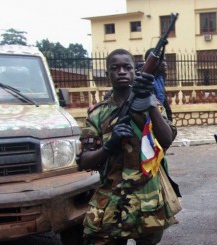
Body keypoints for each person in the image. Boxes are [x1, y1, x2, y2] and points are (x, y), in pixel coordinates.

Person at [77, 49, 177, 245]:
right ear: (108, 74)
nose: (121, 72)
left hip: (147, 198)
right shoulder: (98, 114)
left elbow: (166, 141)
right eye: (115, 68)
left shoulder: (152, 105)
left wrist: (150, 105)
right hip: (110, 199)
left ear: (134, 72)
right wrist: (109, 146)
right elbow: (83, 161)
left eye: (127, 67)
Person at [142, 48, 173, 122]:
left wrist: (169, 120)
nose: (165, 64)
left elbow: (163, 101)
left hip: (161, 118)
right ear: (152, 62)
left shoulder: (160, 78)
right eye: (162, 60)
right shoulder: (143, 80)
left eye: (165, 60)